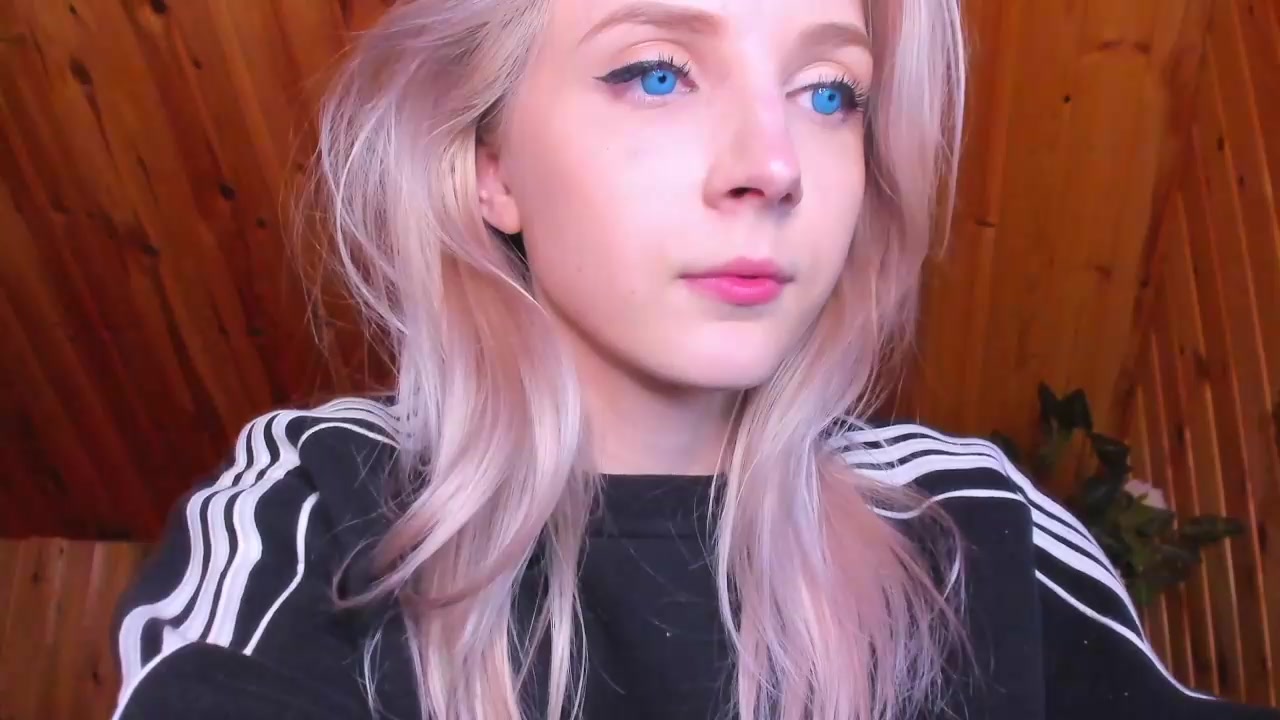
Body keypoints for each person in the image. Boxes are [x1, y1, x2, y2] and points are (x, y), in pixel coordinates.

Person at [108, 0, 1280, 718]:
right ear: (489, 166)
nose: (773, 165)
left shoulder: (970, 519)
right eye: (656, 72)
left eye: (829, 92)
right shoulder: (319, 501)